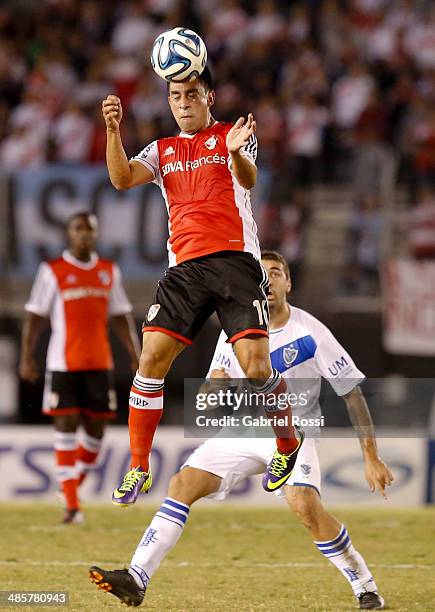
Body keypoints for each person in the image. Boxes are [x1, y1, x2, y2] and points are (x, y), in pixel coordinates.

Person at [90, 250, 393, 609]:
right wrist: (212, 388)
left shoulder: (311, 332)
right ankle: (137, 577)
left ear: (288, 283)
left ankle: (365, 585)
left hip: (292, 435)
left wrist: (371, 457)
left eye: (277, 272)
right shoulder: (236, 331)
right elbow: (210, 396)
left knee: (305, 508)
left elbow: (352, 394)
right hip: (243, 430)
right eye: (262, 274)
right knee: (182, 484)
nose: (269, 280)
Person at [102, 67, 303, 507]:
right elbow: (120, 179)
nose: (183, 102)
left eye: (192, 94)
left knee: (254, 368)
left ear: (208, 96)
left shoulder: (234, 133)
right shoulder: (162, 149)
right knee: (151, 358)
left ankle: (287, 443)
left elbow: (248, 180)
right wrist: (113, 130)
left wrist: (234, 154)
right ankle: (138, 465)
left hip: (235, 262)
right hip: (184, 270)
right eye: (176, 95)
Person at [19, 212, 140, 523]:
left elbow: (120, 316)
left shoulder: (107, 271)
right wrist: (27, 356)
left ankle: (71, 487)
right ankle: (73, 506)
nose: (84, 234)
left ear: (96, 234)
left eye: (89, 229)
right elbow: (35, 316)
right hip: (62, 364)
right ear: (68, 234)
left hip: (100, 362)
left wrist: (135, 352)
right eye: (78, 229)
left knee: (96, 432)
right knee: (66, 425)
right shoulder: (52, 271)